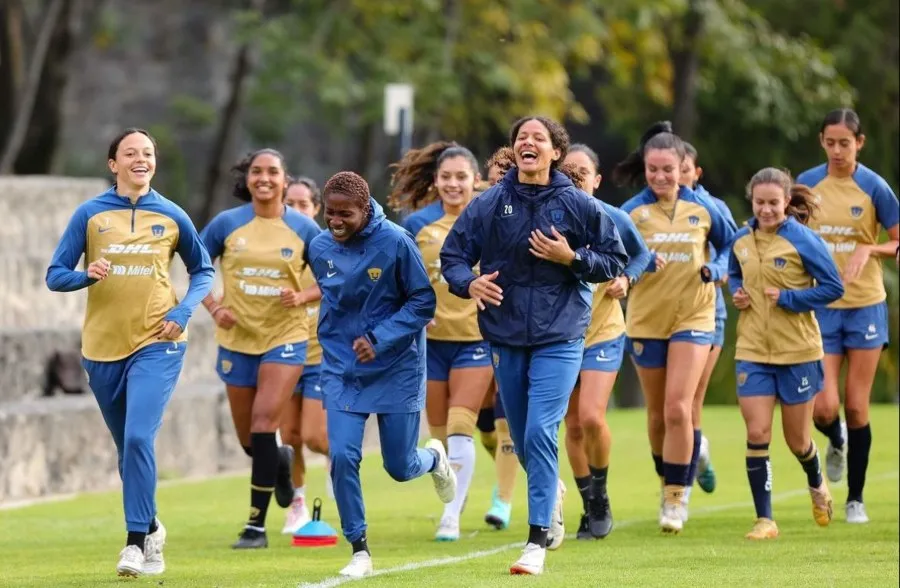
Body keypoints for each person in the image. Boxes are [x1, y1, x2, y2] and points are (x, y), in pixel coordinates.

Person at [441, 116, 629, 575]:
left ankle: (535, 541)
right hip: (504, 334)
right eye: (522, 138)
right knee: (526, 441)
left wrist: (572, 257)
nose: (529, 143)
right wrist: (470, 284)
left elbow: (615, 260)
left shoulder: (578, 204)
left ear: (554, 153)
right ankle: (554, 493)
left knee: (543, 431)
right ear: (515, 150)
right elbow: (453, 256)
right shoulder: (489, 204)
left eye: (538, 139)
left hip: (561, 334)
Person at [46, 128, 214, 577]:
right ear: (112, 164)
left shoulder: (172, 214)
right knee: (127, 452)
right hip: (101, 349)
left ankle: (136, 544)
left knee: (140, 437)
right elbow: (55, 275)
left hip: (158, 342)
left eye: (148, 153)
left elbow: (203, 271)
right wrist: (87, 275)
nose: (141, 159)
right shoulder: (91, 214)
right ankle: (153, 525)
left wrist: (183, 311)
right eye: (130, 153)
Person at [308, 171, 456, 579]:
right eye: (330, 212)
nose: (335, 221)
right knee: (341, 456)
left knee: (399, 465)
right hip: (343, 368)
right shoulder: (319, 247)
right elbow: (335, 302)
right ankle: (359, 549)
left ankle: (433, 459)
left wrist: (381, 337)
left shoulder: (394, 242)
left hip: (397, 367)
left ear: (365, 208)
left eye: (345, 214)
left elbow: (423, 302)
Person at [614, 122, 736, 533]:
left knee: (678, 407)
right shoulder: (631, 212)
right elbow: (614, 258)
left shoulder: (705, 209)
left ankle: (675, 499)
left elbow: (731, 246)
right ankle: (669, 476)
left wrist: (717, 269)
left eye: (668, 169)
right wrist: (636, 266)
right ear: (645, 168)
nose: (661, 177)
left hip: (695, 317)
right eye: (653, 169)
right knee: (656, 416)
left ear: (683, 167)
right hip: (647, 320)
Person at [199, 149, 322, 549]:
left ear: (286, 181)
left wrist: (302, 297)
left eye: (273, 172)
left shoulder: (304, 229)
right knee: (250, 441)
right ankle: (281, 465)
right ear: (247, 179)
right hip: (237, 341)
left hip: (285, 338)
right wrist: (215, 308)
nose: (264, 178)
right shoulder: (227, 224)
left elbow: (336, 277)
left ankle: (255, 526)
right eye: (257, 171)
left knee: (265, 422)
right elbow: (197, 269)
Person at [389, 142, 496, 542]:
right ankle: (457, 491)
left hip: (476, 339)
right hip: (429, 345)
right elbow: (399, 278)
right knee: (436, 434)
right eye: (446, 177)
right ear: (435, 181)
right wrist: (414, 309)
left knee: (459, 426)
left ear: (475, 181)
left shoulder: (490, 222)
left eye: (461, 177)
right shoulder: (416, 226)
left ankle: (450, 516)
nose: (453, 184)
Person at [729, 167, 844, 538]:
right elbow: (733, 272)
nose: (765, 210)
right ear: (752, 201)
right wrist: (737, 292)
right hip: (752, 349)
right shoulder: (741, 239)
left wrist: (792, 298)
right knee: (758, 431)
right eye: (759, 202)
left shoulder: (804, 240)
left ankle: (816, 481)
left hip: (798, 351)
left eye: (773, 203)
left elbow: (833, 287)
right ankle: (765, 519)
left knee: (797, 440)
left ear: (787, 203)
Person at [797, 108, 899, 524]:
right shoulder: (806, 184)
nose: (838, 150)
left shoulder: (874, 187)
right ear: (822, 141)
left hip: (865, 305)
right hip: (821, 306)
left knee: (857, 406)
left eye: (846, 143)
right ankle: (834, 438)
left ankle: (855, 498)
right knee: (824, 408)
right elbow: (789, 234)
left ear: (860, 143)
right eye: (830, 142)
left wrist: (869, 249)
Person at [561, 144, 651, 540]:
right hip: (561, 337)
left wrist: (626, 278)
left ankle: (600, 495)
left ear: (597, 180)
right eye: (569, 171)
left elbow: (641, 254)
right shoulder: (550, 218)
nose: (576, 178)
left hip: (604, 332)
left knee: (592, 417)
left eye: (584, 172)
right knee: (573, 425)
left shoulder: (613, 217)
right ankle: (588, 503)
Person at [679, 142, 735, 506]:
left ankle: (681, 480)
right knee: (669, 409)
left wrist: (714, 272)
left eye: (684, 169)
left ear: (695, 173)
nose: (676, 176)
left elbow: (734, 254)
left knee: (690, 400)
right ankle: (696, 452)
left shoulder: (712, 209)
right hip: (661, 316)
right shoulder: (648, 209)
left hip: (707, 313)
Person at [280, 176, 331, 535]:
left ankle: (340, 460)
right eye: (291, 204)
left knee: (314, 436)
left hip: (319, 358)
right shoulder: (270, 248)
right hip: (282, 355)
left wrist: (302, 297)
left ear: (316, 210)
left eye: (304, 205)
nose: (297, 211)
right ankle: (297, 503)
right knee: (290, 437)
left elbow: (337, 283)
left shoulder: (326, 248)